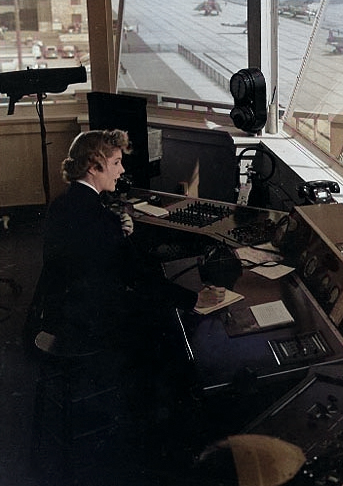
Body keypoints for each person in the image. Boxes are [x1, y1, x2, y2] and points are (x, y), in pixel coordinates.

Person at [34, 129, 225, 429]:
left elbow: (94, 254)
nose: (122, 171)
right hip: (86, 323)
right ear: (94, 166)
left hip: (59, 312)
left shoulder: (63, 204)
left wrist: (119, 233)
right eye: (116, 163)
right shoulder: (100, 219)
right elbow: (136, 275)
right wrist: (193, 298)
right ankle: (163, 420)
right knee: (169, 324)